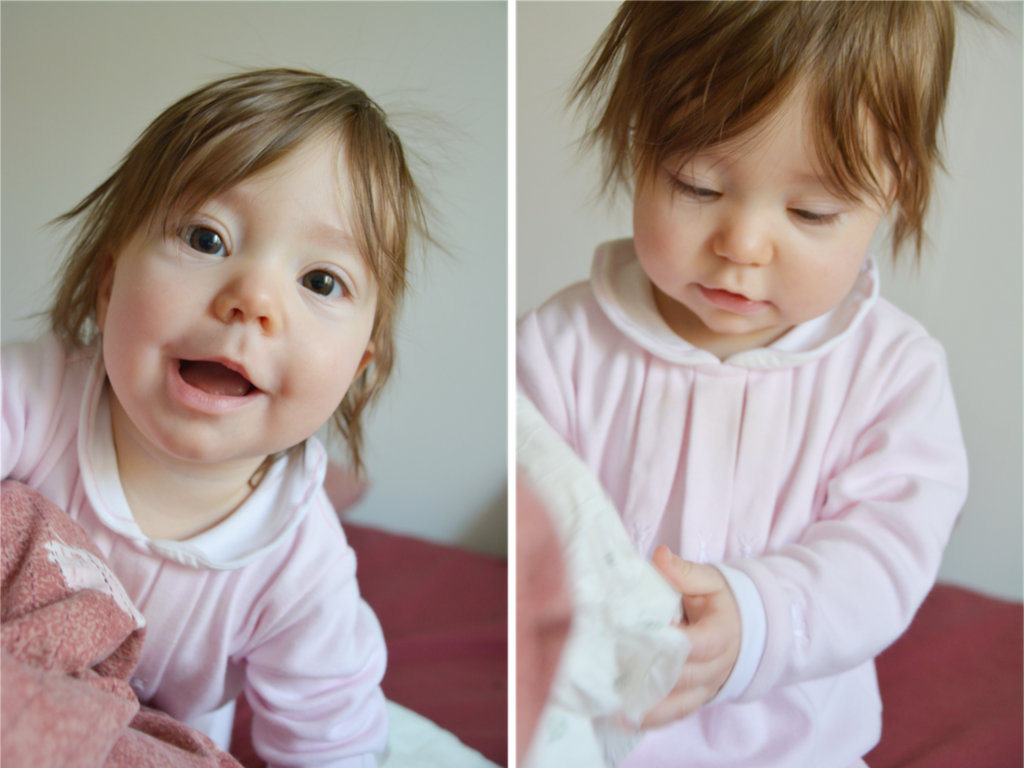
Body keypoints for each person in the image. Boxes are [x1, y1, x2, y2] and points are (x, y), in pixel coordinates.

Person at [517, 3, 973, 766]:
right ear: (637, 149)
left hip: (799, 744)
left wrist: (758, 619)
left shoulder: (894, 372)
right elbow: (534, 513)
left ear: (890, 194)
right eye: (698, 186)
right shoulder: (558, 346)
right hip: (596, 736)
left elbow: (885, 551)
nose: (744, 243)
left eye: (810, 210)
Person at [2, 67, 431, 766]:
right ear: (109, 286)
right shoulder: (36, 395)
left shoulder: (301, 568)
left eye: (320, 280)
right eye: (207, 239)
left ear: (356, 371)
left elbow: (334, 744)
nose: (253, 297)